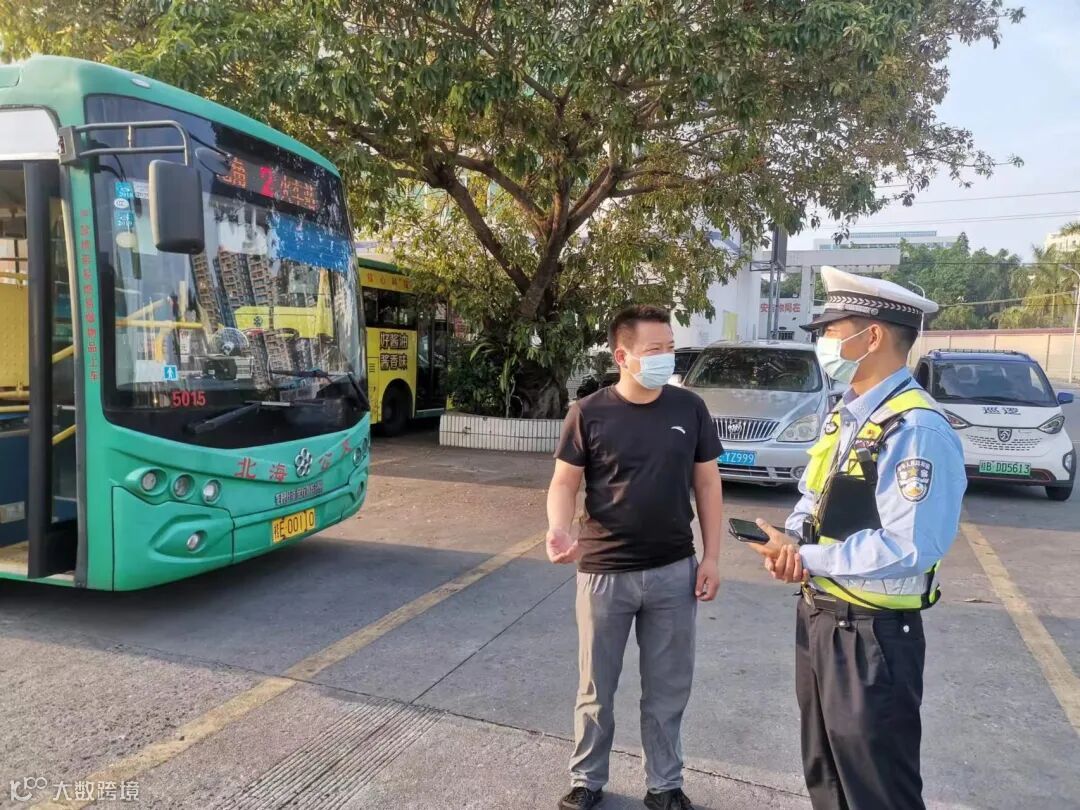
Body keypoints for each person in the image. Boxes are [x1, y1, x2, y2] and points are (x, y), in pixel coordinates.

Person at [747, 266, 966, 810]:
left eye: (831, 329)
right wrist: (790, 543)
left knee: (877, 790)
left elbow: (912, 546)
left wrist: (810, 557)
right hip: (822, 618)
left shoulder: (915, 429)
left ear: (871, 337)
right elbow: (813, 496)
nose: (823, 342)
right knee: (826, 776)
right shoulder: (848, 413)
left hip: (873, 635)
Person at [547, 304, 725, 810]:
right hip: (604, 572)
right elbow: (564, 482)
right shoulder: (589, 412)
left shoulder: (689, 408)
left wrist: (712, 557)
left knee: (668, 689)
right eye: (655, 349)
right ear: (622, 356)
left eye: (670, 347)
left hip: (673, 570)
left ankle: (664, 785)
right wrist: (558, 528)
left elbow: (708, 485)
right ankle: (587, 779)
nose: (666, 357)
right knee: (595, 686)